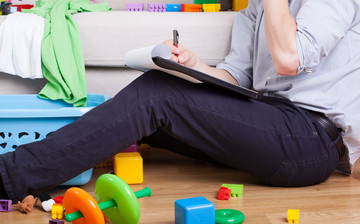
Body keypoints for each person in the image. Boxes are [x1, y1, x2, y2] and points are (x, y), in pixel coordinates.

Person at [1, 0, 360, 202]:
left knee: (156, 96)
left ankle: (10, 175)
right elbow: (234, 80)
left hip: (309, 140)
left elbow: (289, 59)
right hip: (271, 122)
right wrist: (195, 67)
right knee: (144, 110)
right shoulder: (256, 12)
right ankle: (47, 172)